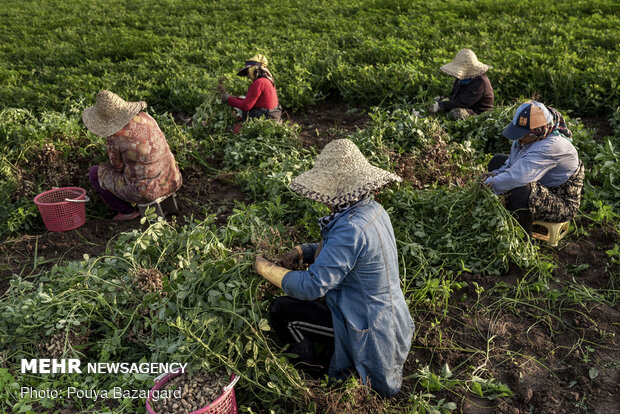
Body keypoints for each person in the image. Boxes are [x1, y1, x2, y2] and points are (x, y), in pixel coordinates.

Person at [253, 139, 415, 397]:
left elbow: (310, 286)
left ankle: (311, 376)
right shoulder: (370, 209)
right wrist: (301, 251)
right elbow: (335, 252)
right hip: (388, 315)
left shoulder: (350, 229)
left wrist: (266, 269)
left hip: (367, 326)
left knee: (282, 311)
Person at [483, 101, 584, 236]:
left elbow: (517, 177)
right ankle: (510, 212)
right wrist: (494, 174)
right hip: (541, 182)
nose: (520, 139)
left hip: (561, 201)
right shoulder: (527, 138)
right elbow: (511, 164)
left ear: (536, 131)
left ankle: (523, 237)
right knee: (497, 161)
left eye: (524, 135)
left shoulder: (551, 146)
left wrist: (486, 185)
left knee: (520, 190)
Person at [83, 90, 183, 221]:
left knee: (95, 173)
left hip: (146, 192)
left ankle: (126, 211)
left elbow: (117, 167)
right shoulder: (146, 117)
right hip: (172, 177)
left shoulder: (115, 137)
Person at [428, 48, 494, 120]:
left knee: (457, 113)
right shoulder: (462, 79)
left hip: (479, 113)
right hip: (467, 107)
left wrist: (441, 105)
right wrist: (442, 99)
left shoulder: (481, 81)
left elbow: (463, 102)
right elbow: (456, 97)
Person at [220, 54, 282, 123]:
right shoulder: (267, 79)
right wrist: (235, 98)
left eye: (248, 72)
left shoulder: (259, 83)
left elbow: (246, 106)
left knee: (245, 112)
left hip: (267, 118)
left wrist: (228, 99)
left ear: (253, 69)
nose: (248, 76)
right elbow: (252, 101)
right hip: (274, 116)